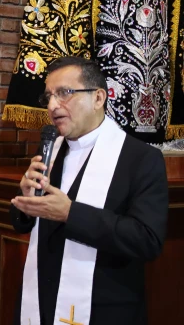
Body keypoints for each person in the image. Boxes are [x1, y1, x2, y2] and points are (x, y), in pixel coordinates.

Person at [10, 56, 169, 325]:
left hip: (104, 309)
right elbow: (23, 222)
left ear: (98, 98)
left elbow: (147, 240)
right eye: (48, 97)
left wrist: (70, 214)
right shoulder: (50, 149)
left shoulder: (141, 159)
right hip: (40, 302)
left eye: (64, 93)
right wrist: (25, 203)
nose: (52, 106)